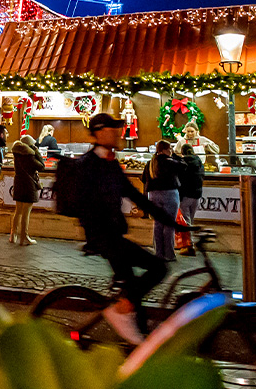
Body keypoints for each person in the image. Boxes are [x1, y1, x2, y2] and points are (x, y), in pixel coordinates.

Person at [74, 113, 184, 344]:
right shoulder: (89, 165)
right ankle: (122, 312)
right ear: (100, 132)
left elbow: (135, 195)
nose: (118, 133)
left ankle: (139, 339)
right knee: (158, 269)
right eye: (113, 130)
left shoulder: (108, 162)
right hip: (103, 236)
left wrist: (172, 222)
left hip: (112, 235)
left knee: (133, 287)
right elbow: (86, 204)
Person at [141, 140, 183, 261]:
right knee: (169, 225)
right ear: (164, 150)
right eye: (170, 149)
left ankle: (158, 253)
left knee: (158, 225)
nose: (171, 151)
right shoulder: (169, 162)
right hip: (169, 194)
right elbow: (184, 166)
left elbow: (144, 179)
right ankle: (169, 254)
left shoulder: (150, 163)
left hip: (153, 195)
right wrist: (175, 155)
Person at [10, 134, 45, 245]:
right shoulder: (29, 156)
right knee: (26, 212)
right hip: (29, 185)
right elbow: (42, 166)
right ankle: (24, 237)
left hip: (19, 183)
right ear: (30, 145)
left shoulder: (16, 154)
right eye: (33, 145)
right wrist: (36, 151)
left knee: (18, 211)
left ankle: (13, 235)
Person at [177, 143, 205, 256]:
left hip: (185, 195)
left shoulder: (182, 163)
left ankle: (188, 245)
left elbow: (179, 178)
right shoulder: (199, 162)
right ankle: (189, 243)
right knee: (190, 220)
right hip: (197, 195)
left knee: (185, 221)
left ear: (182, 152)